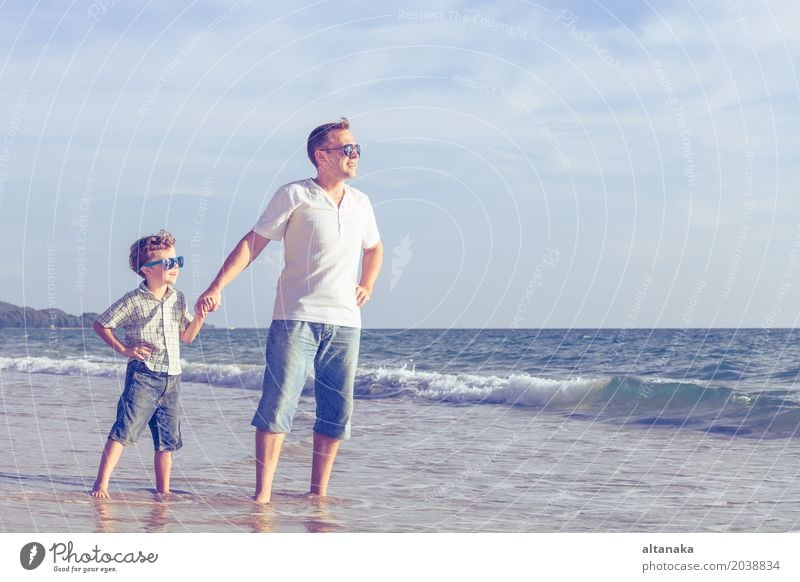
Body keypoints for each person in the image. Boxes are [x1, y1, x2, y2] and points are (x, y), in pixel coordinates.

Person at [197, 117, 383, 504]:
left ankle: (318, 493)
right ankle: (262, 495)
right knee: (279, 403)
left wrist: (367, 284)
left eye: (357, 148)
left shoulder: (362, 203)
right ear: (322, 155)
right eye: (346, 149)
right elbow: (254, 242)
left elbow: (374, 247)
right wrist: (218, 284)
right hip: (295, 316)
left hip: (345, 322)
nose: (355, 155)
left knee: (337, 410)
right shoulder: (294, 194)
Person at [90, 230, 206, 499]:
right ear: (146, 270)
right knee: (125, 428)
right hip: (144, 374)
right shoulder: (134, 300)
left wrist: (200, 315)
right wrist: (123, 349)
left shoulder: (179, 298)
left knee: (167, 440)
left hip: (172, 376)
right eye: (167, 263)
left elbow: (187, 337)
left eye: (177, 261)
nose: (174, 267)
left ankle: (163, 491)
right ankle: (101, 484)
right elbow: (101, 324)